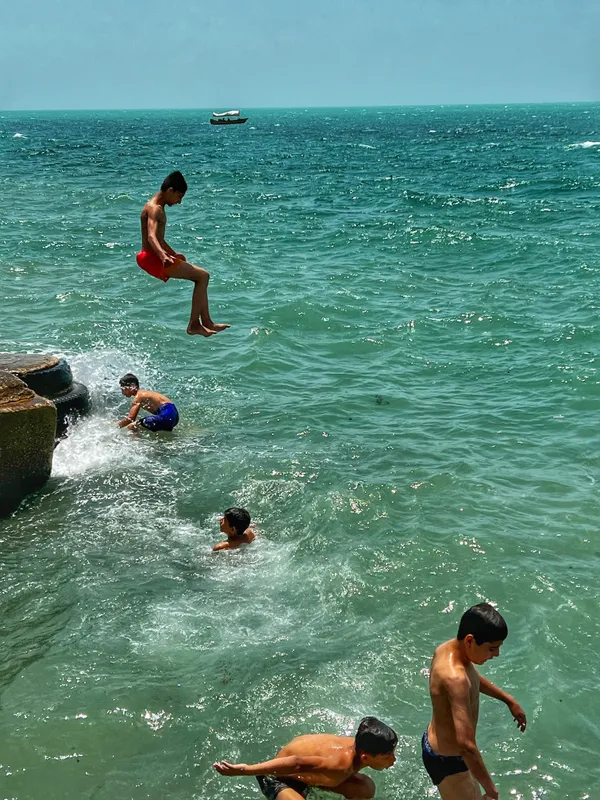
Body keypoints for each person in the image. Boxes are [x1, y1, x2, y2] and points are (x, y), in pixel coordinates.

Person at [423, 603, 527, 800]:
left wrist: (508, 700)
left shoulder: (447, 649)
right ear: (470, 640)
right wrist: (491, 790)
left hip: (437, 744)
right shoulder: (455, 678)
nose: (496, 654)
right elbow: (466, 745)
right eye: (492, 648)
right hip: (449, 761)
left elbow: (472, 679)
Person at [137, 170, 230, 337]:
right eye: (179, 197)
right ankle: (195, 324)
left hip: (153, 256)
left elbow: (159, 239)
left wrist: (173, 254)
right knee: (203, 276)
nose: (179, 202)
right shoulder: (155, 209)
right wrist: (163, 256)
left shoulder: (156, 207)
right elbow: (151, 237)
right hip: (151, 258)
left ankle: (206, 322)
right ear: (170, 190)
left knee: (202, 276)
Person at [213, 716, 397, 799]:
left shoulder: (361, 743)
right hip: (277, 777)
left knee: (365, 789)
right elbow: (297, 764)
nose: (393, 760)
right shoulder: (338, 767)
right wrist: (244, 770)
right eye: (388, 756)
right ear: (365, 757)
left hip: (307, 773)